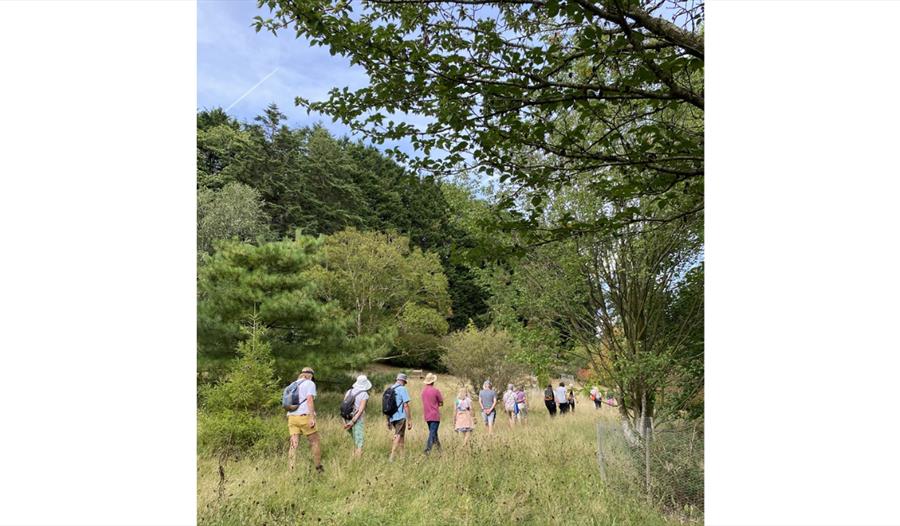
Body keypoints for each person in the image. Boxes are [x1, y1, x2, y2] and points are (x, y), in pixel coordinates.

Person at [287, 367, 323, 473]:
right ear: (311, 376)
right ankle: (318, 468)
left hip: (292, 417)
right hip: (304, 417)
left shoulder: (293, 384)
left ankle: (291, 470)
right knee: (315, 442)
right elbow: (310, 400)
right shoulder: (310, 384)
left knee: (294, 444)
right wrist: (312, 417)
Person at [341, 374, 372, 458]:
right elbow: (361, 410)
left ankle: (353, 456)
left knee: (355, 440)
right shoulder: (364, 394)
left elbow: (343, 406)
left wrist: (344, 421)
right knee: (359, 443)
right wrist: (353, 422)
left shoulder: (349, 391)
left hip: (347, 419)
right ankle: (357, 462)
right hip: (357, 420)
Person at [387, 373, 412, 462]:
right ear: (403, 381)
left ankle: (402, 457)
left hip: (391, 417)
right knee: (398, 435)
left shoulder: (390, 389)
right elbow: (406, 405)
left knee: (401, 435)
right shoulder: (402, 389)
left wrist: (388, 420)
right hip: (400, 416)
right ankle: (391, 456)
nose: (405, 384)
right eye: (405, 382)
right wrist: (409, 420)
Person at [421, 373, 444, 454]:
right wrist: (437, 404)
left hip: (427, 415)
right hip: (434, 415)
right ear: (433, 382)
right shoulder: (436, 391)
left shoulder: (423, 392)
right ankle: (427, 450)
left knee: (434, 433)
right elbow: (441, 402)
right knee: (432, 433)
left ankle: (440, 451)